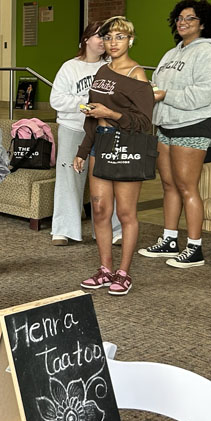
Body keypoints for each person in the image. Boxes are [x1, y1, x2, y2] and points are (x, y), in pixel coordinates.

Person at [72, 16, 155, 295]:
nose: (113, 43)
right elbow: (92, 115)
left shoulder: (136, 74)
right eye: (108, 38)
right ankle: (105, 269)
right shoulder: (102, 71)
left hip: (128, 146)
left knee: (126, 212)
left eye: (120, 37)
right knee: (99, 209)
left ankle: (124, 272)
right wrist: (83, 150)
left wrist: (110, 114)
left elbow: (144, 122)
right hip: (100, 144)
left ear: (130, 40)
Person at [139, 0, 211, 269]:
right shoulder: (171, 53)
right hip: (166, 125)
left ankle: (195, 247)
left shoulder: (207, 52)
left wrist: (165, 94)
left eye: (190, 18)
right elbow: (158, 85)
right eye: (180, 18)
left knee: (188, 186)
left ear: (203, 24)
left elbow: (203, 94)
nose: (183, 22)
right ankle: (169, 238)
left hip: (193, 124)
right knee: (169, 185)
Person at [49, 21, 121, 246]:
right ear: (86, 39)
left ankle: (113, 229)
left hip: (106, 130)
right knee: (69, 178)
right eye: (100, 36)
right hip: (73, 128)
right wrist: (86, 104)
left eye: (108, 37)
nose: (104, 41)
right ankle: (63, 229)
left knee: (109, 179)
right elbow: (56, 100)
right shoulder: (70, 67)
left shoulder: (113, 66)